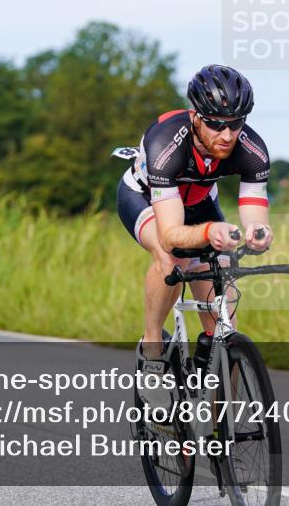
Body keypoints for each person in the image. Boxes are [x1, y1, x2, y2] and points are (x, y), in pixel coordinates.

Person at [115, 65, 273, 365]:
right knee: (172, 256)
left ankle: (221, 396)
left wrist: (259, 232)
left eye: (236, 123)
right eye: (215, 124)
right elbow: (171, 233)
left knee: (222, 310)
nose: (227, 135)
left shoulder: (252, 150)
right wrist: (208, 232)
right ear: (194, 117)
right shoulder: (166, 144)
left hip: (199, 201)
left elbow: (255, 210)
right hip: (145, 198)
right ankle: (152, 349)